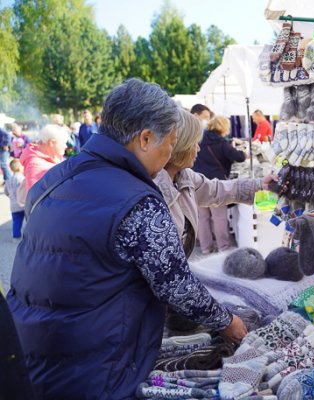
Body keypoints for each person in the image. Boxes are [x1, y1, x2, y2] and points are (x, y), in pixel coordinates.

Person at [7, 78, 247, 398]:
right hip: (97, 367)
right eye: (170, 143)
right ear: (146, 139)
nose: (169, 155)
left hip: (33, 352)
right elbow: (178, 287)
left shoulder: (53, 179)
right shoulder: (138, 202)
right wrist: (227, 321)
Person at [154, 108, 276, 332]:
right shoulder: (153, 191)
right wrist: (223, 321)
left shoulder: (183, 176)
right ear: (178, 146)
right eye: (194, 143)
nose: (198, 149)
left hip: (172, 289)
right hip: (154, 299)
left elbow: (218, 190)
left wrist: (260, 185)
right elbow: (165, 273)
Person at [194, 116, 247, 253]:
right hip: (215, 184)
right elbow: (239, 157)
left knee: (203, 217)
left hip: (197, 182)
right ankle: (223, 247)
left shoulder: (199, 141)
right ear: (223, 127)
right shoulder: (221, 143)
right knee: (219, 217)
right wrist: (243, 151)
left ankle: (206, 248)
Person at [20, 124, 68, 190]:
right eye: (64, 143)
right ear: (52, 143)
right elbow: (35, 196)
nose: (65, 146)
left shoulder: (56, 156)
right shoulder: (35, 165)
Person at [3, 159, 25, 241]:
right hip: (23, 204)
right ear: (20, 168)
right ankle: (29, 236)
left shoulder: (8, 180)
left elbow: (6, 191)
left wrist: (11, 197)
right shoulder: (22, 179)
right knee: (28, 221)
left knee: (16, 222)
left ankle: (16, 237)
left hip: (14, 206)